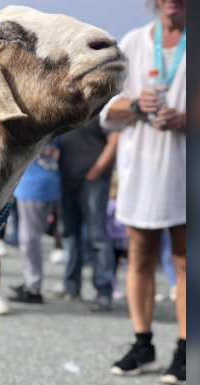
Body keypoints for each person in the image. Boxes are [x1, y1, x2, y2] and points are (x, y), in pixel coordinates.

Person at [100, 0, 186, 385]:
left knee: (185, 260)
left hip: (186, 166)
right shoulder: (133, 43)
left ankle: (186, 350)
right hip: (142, 168)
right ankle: (143, 344)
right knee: (139, 255)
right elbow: (105, 110)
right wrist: (135, 103)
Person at [43, 120, 118, 312]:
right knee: (69, 235)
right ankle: (71, 287)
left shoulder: (102, 109)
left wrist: (97, 170)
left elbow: (115, 139)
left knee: (97, 237)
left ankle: (103, 292)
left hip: (93, 181)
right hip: (68, 178)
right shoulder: (71, 107)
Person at [8, 140, 61, 304]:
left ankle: (33, 287)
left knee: (29, 240)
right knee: (31, 237)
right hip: (47, 180)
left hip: (33, 186)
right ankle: (31, 283)